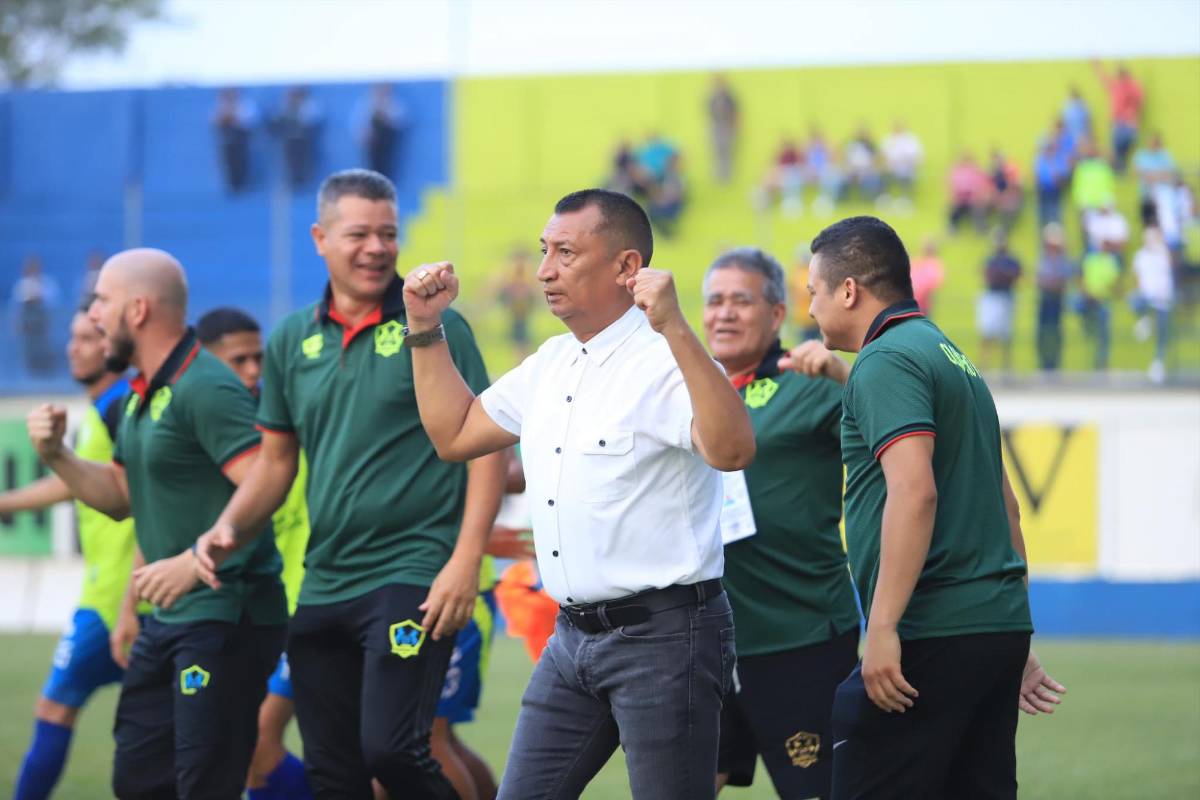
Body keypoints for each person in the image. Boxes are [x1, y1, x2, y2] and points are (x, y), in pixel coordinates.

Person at [401, 188, 755, 798]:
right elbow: (455, 433)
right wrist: (425, 328)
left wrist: (673, 325)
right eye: (544, 251)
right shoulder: (552, 362)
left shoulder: (666, 359)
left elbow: (731, 451)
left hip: (666, 636)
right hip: (571, 641)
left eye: (565, 252)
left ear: (626, 268)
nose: (544, 270)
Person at [193, 168, 506, 799]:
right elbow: (276, 463)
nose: (377, 248)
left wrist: (465, 559)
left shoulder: (437, 327)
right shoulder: (290, 339)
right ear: (320, 238)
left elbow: (487, 447)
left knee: (393, 751)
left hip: (413, 572)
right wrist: (229, 526)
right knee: (334, 776)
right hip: (324, 580)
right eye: (359, 233)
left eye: (388, 234)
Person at [801, 216, 1064, 800]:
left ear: (849, 291)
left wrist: (885, 626)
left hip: (930, 626)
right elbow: (1009, 510)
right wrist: (1011, 631)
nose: (811, 309)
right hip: (991, 628)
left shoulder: (887, 359)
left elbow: (915, 490)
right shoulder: (950, 355)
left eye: (813, 292)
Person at [26, 248, 287, 798]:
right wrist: (58, 456)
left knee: (203, 785)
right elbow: (121, 496)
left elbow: (265, 479)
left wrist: (199, 559)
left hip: (224, 618)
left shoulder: (207, 387)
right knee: (140, 781)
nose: (94, 316)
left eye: (102, 301)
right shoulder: (144, 394)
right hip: (166, 619)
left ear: (138, 310)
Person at [700, 248, 861, 799]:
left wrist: (844, 372)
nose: (723, 313)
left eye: (740, 301)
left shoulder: (810, 381)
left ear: (775, 313)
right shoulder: (688, 390)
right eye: (714, 301)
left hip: (800, 634)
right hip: (703, 639)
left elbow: (899, 425)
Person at [5, 310, 137, 800]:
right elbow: (77, 485)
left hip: (118, 602)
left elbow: (142, 496)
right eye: (72, 336)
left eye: (87, 337)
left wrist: (128, 603)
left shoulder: (120, 406)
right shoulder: (103, 407)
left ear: (114, 345)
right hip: (115, 596)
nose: (72, 347)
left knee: (54, 708)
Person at [195, 308, 313, 800]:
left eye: (257, 358)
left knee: (260, 746)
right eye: (236, 360)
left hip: (313, 601)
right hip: (258, 613)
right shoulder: (205, 425)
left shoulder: (291, 413)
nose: (251, 371)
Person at [1130, 227, 1176, 383]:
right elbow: (1137, 277)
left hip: (1162, 299)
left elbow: (1167, 277)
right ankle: (1145, 319)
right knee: (1133, 299)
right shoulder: (1140, 256)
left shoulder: (1163, 254)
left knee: (1162, 336)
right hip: (1147, 297)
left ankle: (1158, 363)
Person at [1034, 223, 1077, 373]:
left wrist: (1051, 283)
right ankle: (1044, 362)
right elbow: (1040, 279)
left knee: (1056, 332)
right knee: (1043, 332)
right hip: (1046, 299)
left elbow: (1062, 280)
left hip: (1056, 300)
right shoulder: (1043, 258)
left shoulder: (1062, 260)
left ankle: (1054, 363)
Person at [977, 233, 1021, 373]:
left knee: (1006, 334)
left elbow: (1016, 275)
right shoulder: (992, 260)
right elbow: (987, 276)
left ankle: (1006, 366)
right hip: (993, 296)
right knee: (987, 332)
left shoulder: (1011, 261)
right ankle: (984, 365)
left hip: (1006, 296)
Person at [10, 255, 62, 377]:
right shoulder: (21, 286)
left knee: (44, 353)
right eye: (30, 268)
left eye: (35, 267)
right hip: (27, 330)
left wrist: (39, 299)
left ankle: (46, 374)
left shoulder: (48, 284)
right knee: (29, 352)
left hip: (44, 328)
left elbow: (55, 305)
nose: (32, 270)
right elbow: (15, 309)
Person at [1093, 61, 1144, 174]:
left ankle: (1119, 169)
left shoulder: (1132, 85)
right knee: (1117, 152)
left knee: (1119, 151)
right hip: (1118, 124)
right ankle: (1119, 170)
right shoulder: (1116, 85)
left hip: (1127, 124)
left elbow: (1139, 99)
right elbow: (1104, 79)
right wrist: (1097, 66)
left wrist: (1130, 112)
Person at [270, 86, 323, 188]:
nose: (295, 97)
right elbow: (276, 121)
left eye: (297, 94)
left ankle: (303, 181)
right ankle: (292, 181)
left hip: (305, 142)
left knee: (303, 164)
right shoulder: (283, 106)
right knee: (290, 163)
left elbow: (313, 122)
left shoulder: (310, 106)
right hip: (288, 142)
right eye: (292, 94)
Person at [357, 83, 409, 180]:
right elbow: (360, 129)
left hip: (389, 147)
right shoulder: (367, 105)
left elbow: (401, 121)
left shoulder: (393, 105)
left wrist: (385, 114)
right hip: (374, 148)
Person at [212, 87, 258, 192]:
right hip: (227, 141)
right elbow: (215, 122)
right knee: (229, 164)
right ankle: (232, 185)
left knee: (242, 163)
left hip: (241, 142)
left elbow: (249, 122)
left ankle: (243, 185)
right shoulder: (220, 106)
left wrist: (234, 118)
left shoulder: (245, 105)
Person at [497, 248, 539, 362]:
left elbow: (533, 291)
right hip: (516, 311)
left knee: (522, 339)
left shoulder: (525, 275)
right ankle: (521, 361)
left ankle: (522, 361)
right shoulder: (512, 274)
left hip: (521, 311)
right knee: (520, 339)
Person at [881, 122, 923, 208]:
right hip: (891, 168)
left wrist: (906, 162)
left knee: (905, 174)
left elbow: (916, 156)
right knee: (883, 174)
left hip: (907, 168)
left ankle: (905, 199)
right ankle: (886, 197)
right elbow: (882, 155)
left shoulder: (911, 140)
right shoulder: (888, 139)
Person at [707, 75, 739, 184]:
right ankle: (718, 175)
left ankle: (727, 176)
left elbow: (735, 112)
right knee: (716, 152)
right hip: (716, 127)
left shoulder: (729, 97)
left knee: (727, 152)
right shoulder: (712, 98)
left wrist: (734, 126)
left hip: (727, 127)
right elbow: (709, 112)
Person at [909, 238, 945, 318]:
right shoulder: (918, 261)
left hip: (924, 302)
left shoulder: (934, 264)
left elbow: (935, 282)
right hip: (913, 301)